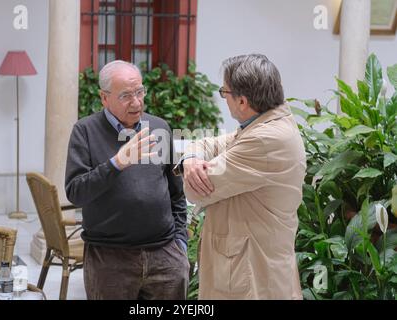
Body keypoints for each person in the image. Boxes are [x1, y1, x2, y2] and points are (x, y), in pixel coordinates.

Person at [174, 54, 306, 299]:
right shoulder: (263, 123)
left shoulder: (265, 139)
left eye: (224, 93)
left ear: (242, 101)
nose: (224, 98)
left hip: (251, 278)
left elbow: (196, 191)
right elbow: (207, 143)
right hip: (244, 268)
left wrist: (192, 170)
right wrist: (190, 160)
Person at [65, 60, 189, 300]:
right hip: (109, 259)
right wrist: (117, 163)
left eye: (140, 92)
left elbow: (176, 192)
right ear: (104, 98)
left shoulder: (159, 127)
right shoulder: (85, 131)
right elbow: (75, 192)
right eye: (125, 96)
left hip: (164, 255)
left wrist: (180, 243)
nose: (136, 102)